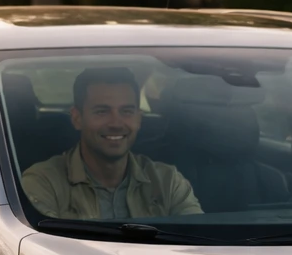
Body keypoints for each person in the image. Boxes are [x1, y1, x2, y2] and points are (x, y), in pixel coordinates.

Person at [21, 66, 202, 220]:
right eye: (102, 112)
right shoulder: (43, 183)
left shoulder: (167, 182)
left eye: (126, 111)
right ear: (77, 118)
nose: (116, 123)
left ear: (139, 119)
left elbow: (197, 245)